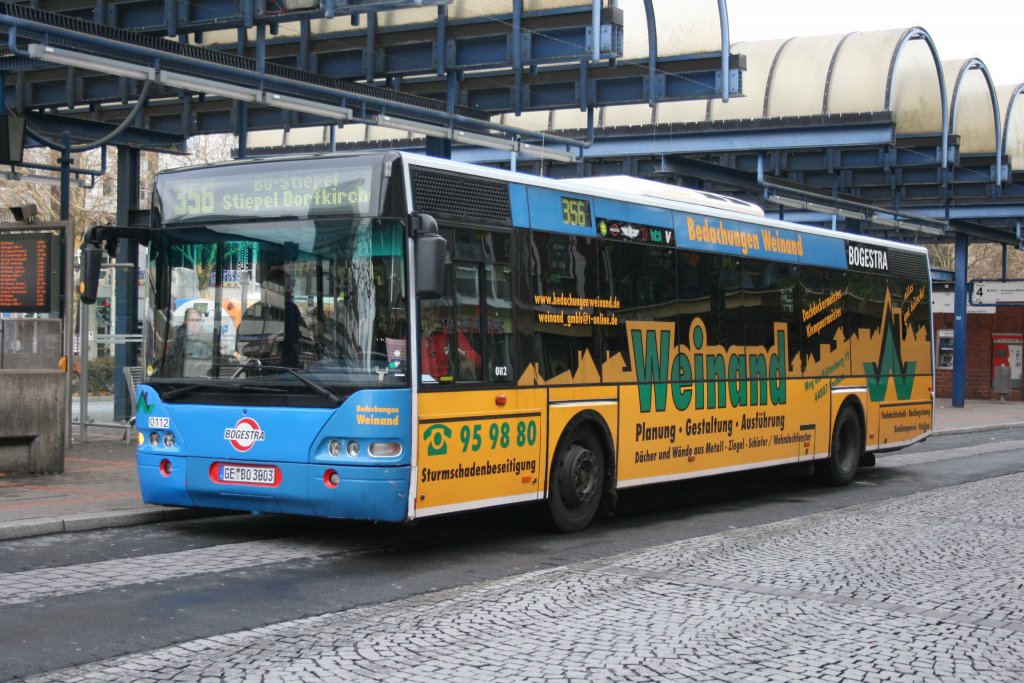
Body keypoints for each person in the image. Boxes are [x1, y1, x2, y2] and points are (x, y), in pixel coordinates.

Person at [237, 267, 307, 367]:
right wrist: (268, 343)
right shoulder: (254, 312)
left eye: (290, 287)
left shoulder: (292, 310)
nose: (290, 291)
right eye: (286, 287)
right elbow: (241, 347)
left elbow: (302, 338)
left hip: (291, 373)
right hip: (261, 373)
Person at [419, 306, 481, 381]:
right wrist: (425, 337)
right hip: (423, 386)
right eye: (427, 319)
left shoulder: (454, 336)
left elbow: (477, 360)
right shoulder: (415, 338)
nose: (432, 321)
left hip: (448, 384)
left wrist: (462, 354)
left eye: (436, 318)